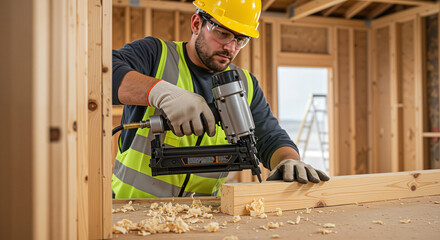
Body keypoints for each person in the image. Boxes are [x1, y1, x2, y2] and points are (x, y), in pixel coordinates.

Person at [112, 0, 329, 199]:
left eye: (240, 40)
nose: (231, 48)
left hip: (204, 219)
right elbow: (104, 73)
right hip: (131, 211)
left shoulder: (245, 84)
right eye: (223, 34)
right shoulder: (155, 55)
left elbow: (270, 137)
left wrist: (287, 161)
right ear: (197, 24)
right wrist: (160, 92)